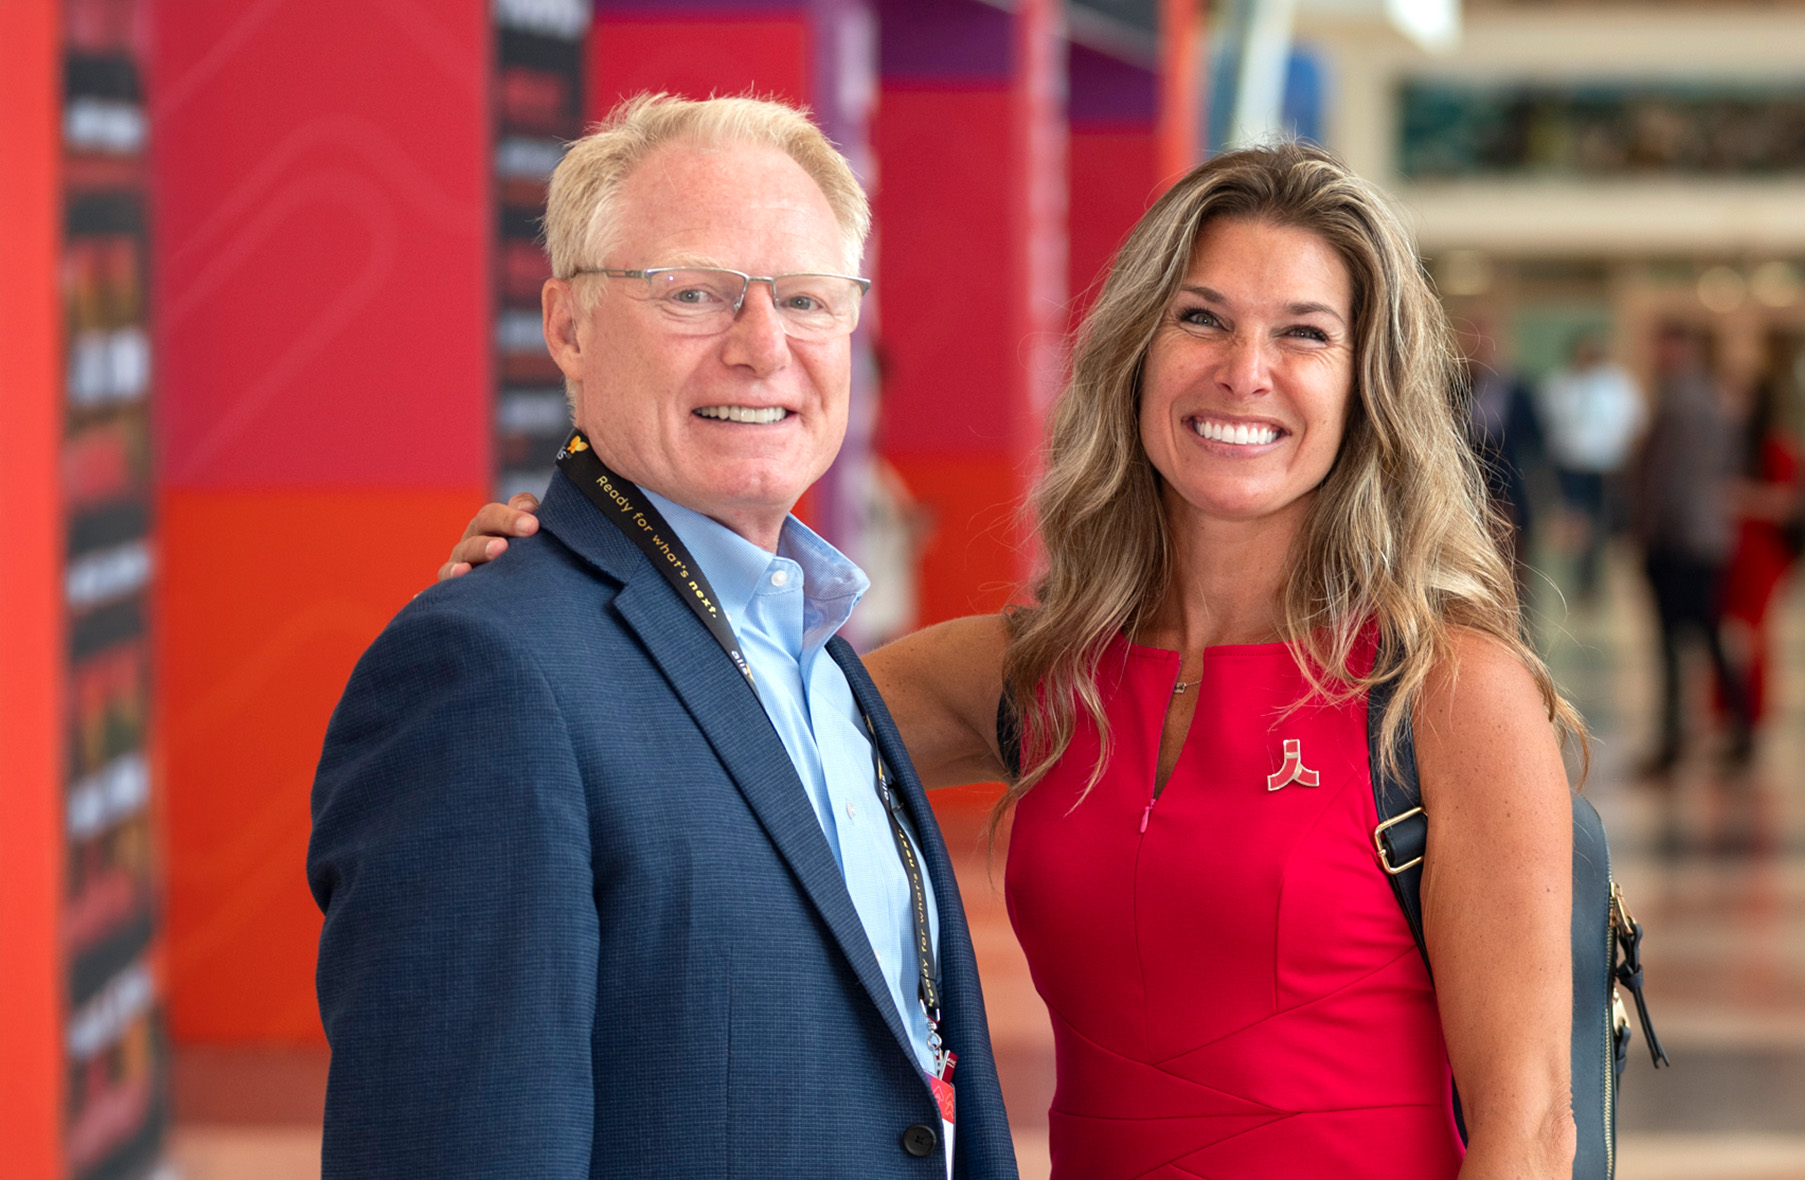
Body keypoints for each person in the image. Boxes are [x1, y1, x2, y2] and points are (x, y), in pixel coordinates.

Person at [451, 143, 1580, 1179]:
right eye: (1201, 319)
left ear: (1362, 388)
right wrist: (561, 603)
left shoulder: (1446, 692)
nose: (1244, 370)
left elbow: (1527, 1121)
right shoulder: (1039, 676)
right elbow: (714, 727)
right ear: (1137, 353)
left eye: (1303, 333)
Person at [311, 94, 1015, 1178]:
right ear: (566, 325)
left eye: (806, 300)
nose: (761, 347)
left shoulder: (812, 650)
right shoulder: (486, 674)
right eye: (693, 294)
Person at [1629, 324, 1754, 769]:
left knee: (1675, 642)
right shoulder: (1712, 401)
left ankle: (1677, 739)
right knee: (1706, 635)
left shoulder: (1681, 403)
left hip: (1679, 538)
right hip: (1705, 535)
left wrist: (1648, 532)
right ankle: (1737, 727)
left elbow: (1668, 481)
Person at [1717, 374, 1805, 728]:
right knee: (1726, 631)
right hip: (1730, 548)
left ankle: (1752, 707)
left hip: (1763, 550)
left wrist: (1741, 498)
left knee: (1753, 634)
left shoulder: (1776, 446)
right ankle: (1726, 707)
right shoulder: (1729, 444)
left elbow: (1786, 503)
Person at [1539, 332, 1646, 602]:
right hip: (1571, 466)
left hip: (1607, 467)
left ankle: (1597, 581)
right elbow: (1549, 424)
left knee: (1604, 524)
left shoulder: (1618, 384)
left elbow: (1634, 423)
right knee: (1576, 526)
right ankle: (1578, 580)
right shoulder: (1560, 383)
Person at [1456, 319, 1547, 605]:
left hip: (1510, 494)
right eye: (1473, 335)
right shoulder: (1454, 383)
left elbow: (1535, 444)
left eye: (1485, 333)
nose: (1480, 342)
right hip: (1464, 493)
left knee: (1515, 577)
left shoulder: (1517, 388)